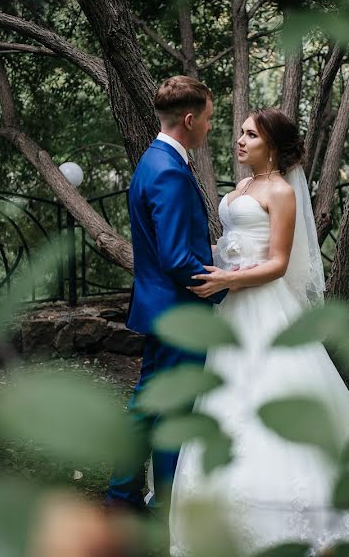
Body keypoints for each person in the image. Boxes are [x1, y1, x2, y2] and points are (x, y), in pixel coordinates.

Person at [169, 108, 349, 555]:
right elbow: (232, 243)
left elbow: (278, 264)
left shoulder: (281, 192)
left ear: (272, 146)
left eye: (250, 135)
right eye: (240, 132)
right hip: (235, 308)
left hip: (261, 305)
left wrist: (227, 280)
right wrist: (215, 262)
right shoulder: (242, 186)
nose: (239, 140)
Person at [105, 75, 226, 512]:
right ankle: (156, 503)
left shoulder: (152, 161)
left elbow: (169, 246)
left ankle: (127, 496)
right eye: (209, 119)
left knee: (149, 404)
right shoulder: (170, 171)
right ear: (190, 119)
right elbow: (177, 258)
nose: (210, 128)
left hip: (159, 305)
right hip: (179, 310)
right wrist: (222, 290)